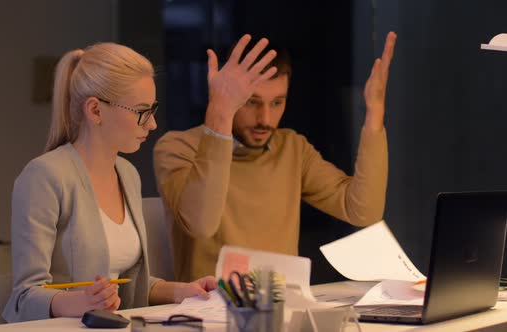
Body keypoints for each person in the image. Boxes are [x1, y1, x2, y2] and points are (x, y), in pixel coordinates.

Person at [153, 32, 397, 282]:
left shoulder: (292, 148)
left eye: (277, 103)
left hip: (283, 308)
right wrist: (220, 112)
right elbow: (201, 223)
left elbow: (363, 211)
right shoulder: (177, 148)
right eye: (251, 102)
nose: (265, 120)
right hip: (209, 312)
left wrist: (374, 116)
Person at [3, 42, 216, 323]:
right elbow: (24, 297)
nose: (151, 124)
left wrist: (183, 291)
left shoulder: (127, 174)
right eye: (142, 111)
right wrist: (80, 302)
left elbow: (130, 281)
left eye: (152, 109)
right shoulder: (43, 177)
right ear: (95, 111)